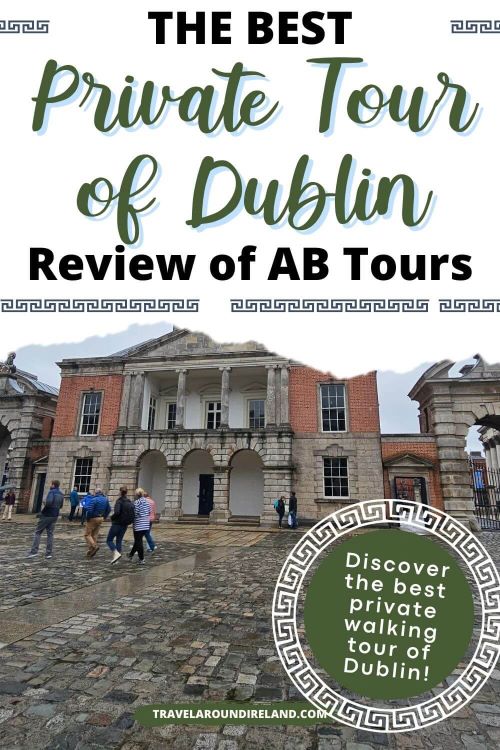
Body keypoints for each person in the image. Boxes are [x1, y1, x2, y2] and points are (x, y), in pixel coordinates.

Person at [28, 480, 64, 559]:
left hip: (47, 514)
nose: (50, 485)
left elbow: (48, 503)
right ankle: (48, 553)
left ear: (53, 485)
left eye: (51, 484)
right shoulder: (61, 494)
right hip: (55, 515)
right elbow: (61, 505)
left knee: (38, 532)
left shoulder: (51, 492)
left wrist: (44, 501)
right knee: (50, 534)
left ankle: (34, 552)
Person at [107, 487, 134, 564]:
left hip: (117, 523)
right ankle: (117, 559)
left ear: (120, 492)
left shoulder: (119, 501)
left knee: (109, 540)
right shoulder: (129, 502)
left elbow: (117, 512)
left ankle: (116, 553)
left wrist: (112, 518)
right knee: (119, 540)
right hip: (125, 524)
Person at [84, 487, 111, 558]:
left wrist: (88, 518)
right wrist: (104, 517)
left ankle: (94, 546)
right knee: (94, 535)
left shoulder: (94, 499)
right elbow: (109, 509)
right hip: (100, 518)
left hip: (93, 518)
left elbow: (89, 510)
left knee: (87, 534)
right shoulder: (105, 499)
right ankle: (91, 551)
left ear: (96, 492)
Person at [128, 488, 150, 564]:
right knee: (138, 541)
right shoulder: (147, 502)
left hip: (138, 524)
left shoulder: (137, 502)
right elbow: (149, 511)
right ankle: (130, 554)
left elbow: (135, 512)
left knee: (138, 541)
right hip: (146, 524)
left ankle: (142, 559)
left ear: (137, 494)